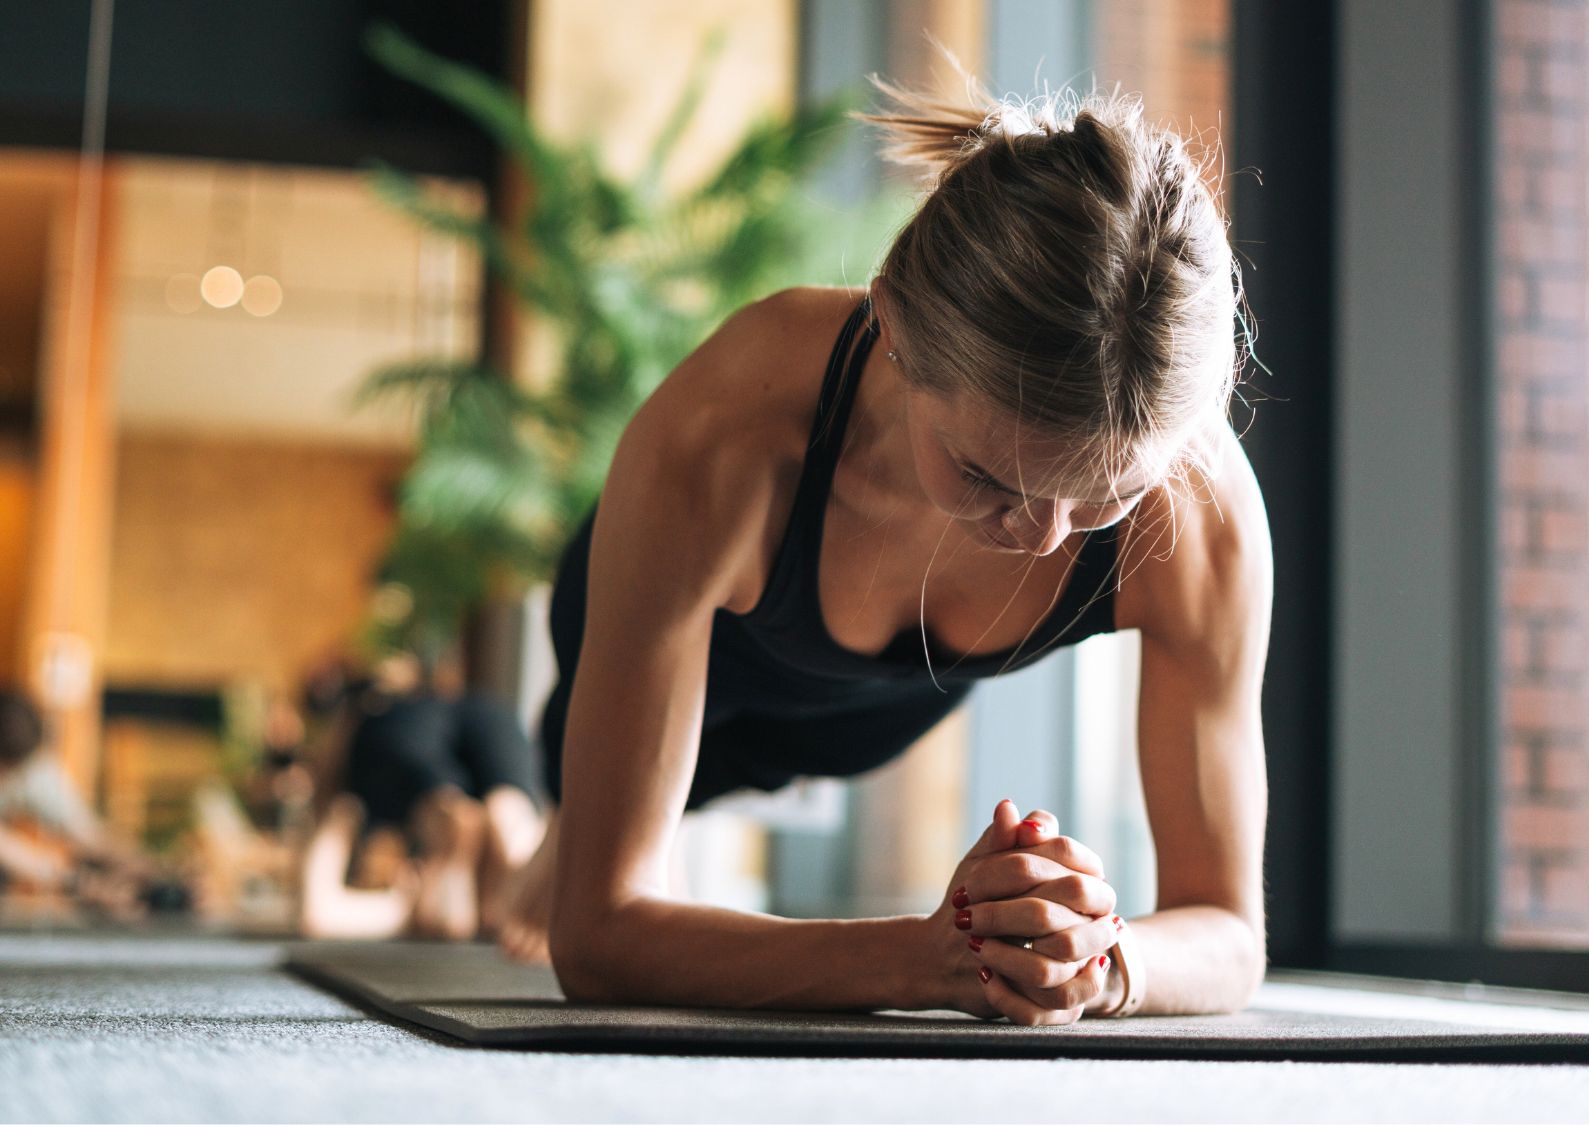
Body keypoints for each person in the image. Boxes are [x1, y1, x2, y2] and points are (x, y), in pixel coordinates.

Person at [499, 77, 1272, 1027]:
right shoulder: (725, 432)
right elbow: (600, 942)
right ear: (895, 331)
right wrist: (925, 959)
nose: (1043, 537)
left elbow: (1233, 933)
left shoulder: (1203, 516)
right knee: (575, 828)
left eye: (1105, 495)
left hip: (875, 710)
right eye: (988, 475)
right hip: (680, 617)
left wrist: (1100, 958)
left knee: (774, 760)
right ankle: (553, 825)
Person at [293, 651, 548, 941]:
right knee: (512, 824)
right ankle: (465, 844)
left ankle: (444, 823)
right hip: (493, 715)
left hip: (392, 731)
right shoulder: (393, 704)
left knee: (457, 899)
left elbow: (315, 912)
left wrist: (403, 909)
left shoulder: (358, 725)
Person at [0, 690, 157, 917]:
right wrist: (82, 883)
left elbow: (87, 832)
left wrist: (148, 868)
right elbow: (10, 851)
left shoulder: (26, 762)